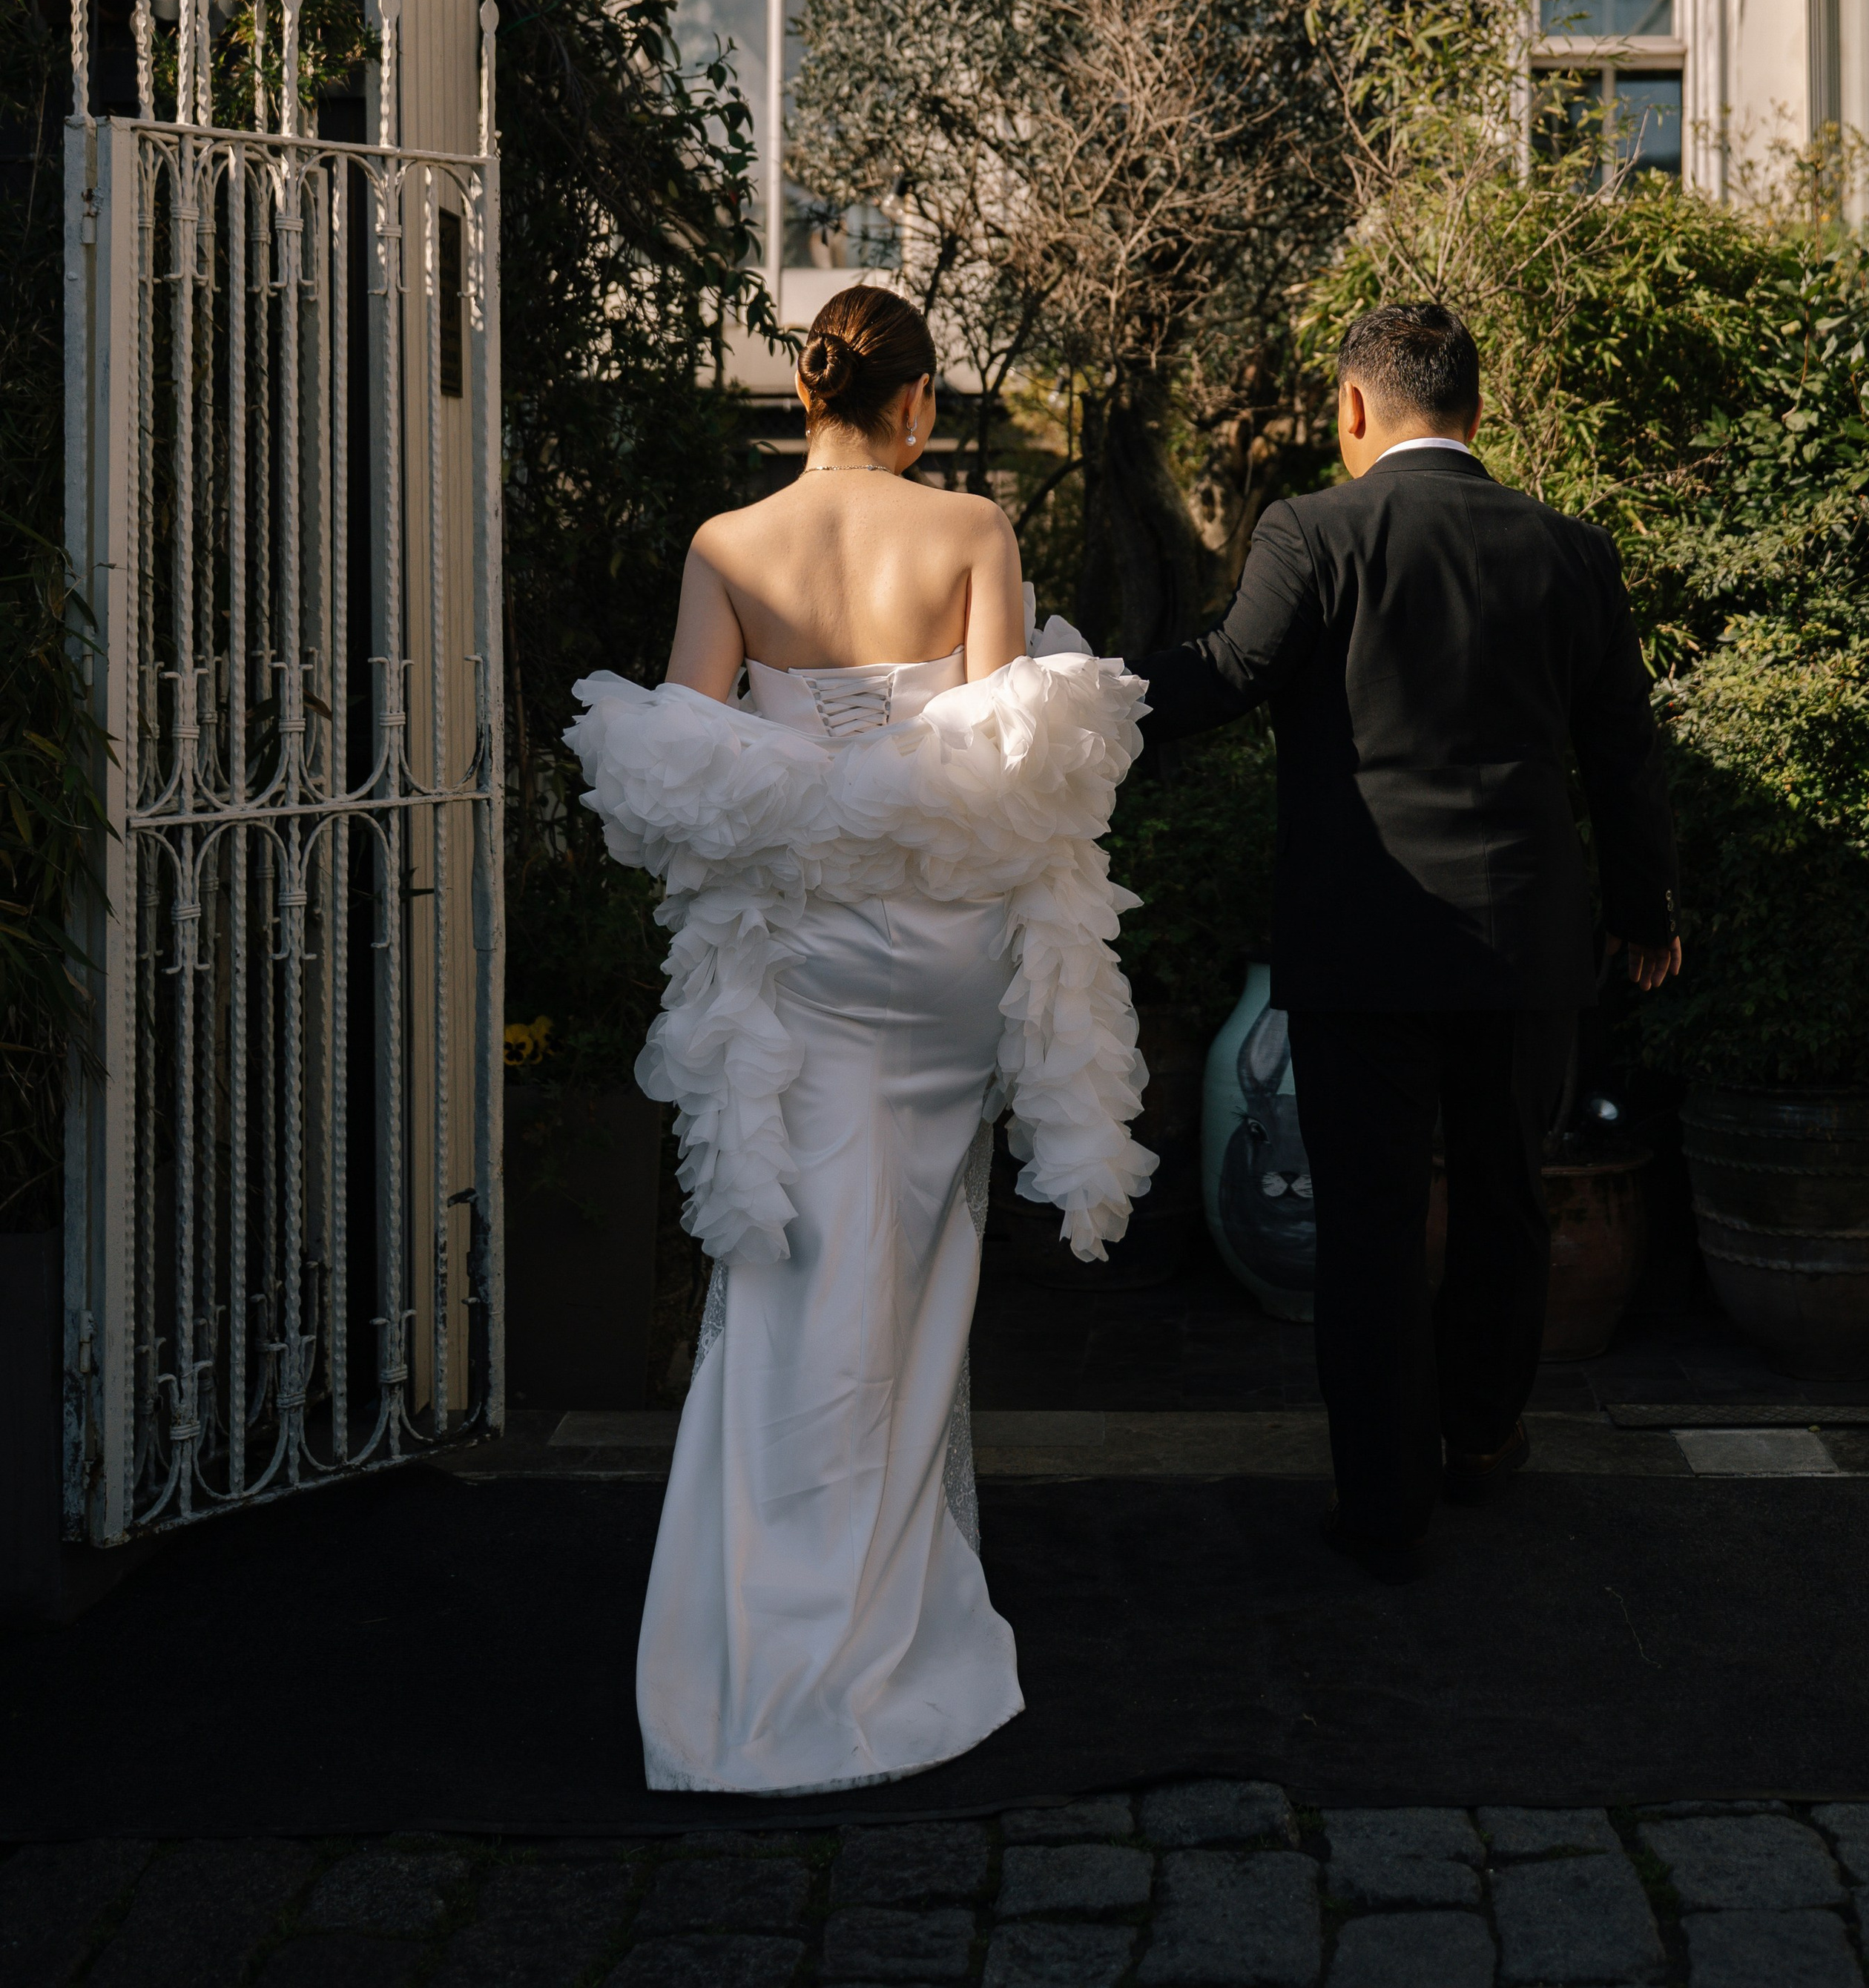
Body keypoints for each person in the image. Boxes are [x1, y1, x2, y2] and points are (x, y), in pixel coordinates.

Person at [566, 284, 1154, 1794]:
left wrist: (800, 789)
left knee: (790, 1267)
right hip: (943, 966)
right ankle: (876, 1616)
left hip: (807, 956)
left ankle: (755, 1636)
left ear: (807, 396)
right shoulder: (971, 534)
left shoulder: (727, 545)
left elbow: (677, 763)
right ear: (918, 404)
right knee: (914, 1271)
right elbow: (1009, 776)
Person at [1139, 303, 1679, 1583]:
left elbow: (1223, 672)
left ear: (1352, 412)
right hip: (1524, 941)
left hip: (1361, 943)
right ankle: (1485, 1440)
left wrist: (1062, 696)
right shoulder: (1570, 550)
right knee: (1505, 1198)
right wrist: (1645, 908)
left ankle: (1384, 1499)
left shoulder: (1314, 532)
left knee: (1372, 1225)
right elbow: (1625, 749)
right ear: (1478, 418)